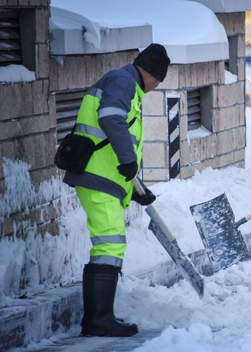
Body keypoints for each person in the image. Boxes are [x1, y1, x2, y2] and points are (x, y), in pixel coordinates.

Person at [62, 43, 170, 337]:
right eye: (158, 82)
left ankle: (99, 317)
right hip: (97, 178)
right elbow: (110, 118)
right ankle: (98, 319)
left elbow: (116, 138)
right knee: (109, 244)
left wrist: (136, 188)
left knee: (109, 244)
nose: (154, 87)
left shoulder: (125, 84)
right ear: (151, 74)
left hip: (105, 178)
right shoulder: (123, 82)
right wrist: (128, 160)